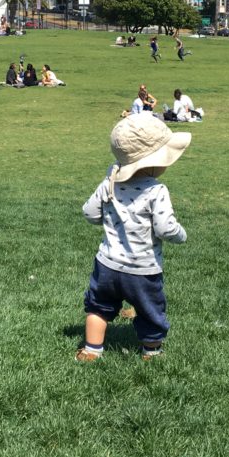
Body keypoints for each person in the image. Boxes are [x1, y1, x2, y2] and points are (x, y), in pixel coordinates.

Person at [76, 114, 191, 362]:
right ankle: (151, 351)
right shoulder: (156, 190)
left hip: (106, 264)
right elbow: (165, 228)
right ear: (153, 163)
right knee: (150, 310)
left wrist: (107, 219)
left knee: (98, 307)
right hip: (143, 268)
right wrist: (181, 235)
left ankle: (91, 350)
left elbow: (89, 212)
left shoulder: (109, 183)